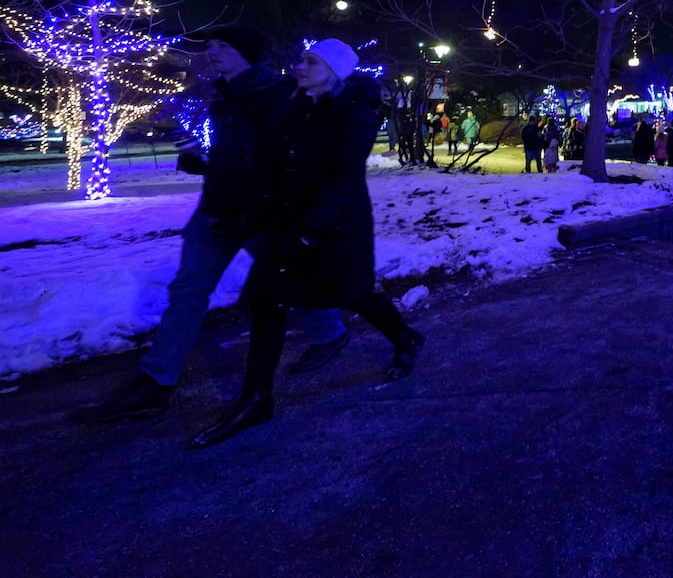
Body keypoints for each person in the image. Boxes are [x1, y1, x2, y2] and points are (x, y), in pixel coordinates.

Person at [72, 25, 347, 424]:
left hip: (260, 214)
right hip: (216, 210)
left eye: (223, 45)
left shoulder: (279, 95)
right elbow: (236, 154)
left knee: (294, 281)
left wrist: (282, 206)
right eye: (211, 46)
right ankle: (155, 384)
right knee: (188, 290)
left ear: (246, 52)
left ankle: (330, 333)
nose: (213, 52)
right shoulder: (223, 94)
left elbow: (292, 160)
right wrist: (204, 162)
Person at [191, 39, 424, 447]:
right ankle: (256, 399)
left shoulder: (355, 114)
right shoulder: (296, 107)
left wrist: (310, 228)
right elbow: (275, 167)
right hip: (288, 223)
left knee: (353, 294)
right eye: (301, 59)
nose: (299, 66)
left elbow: (345, 179)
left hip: (334, 228)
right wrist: (242, 200)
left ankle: (403, 337)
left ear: (333, 71)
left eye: (311, 61)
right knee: (267, 301)